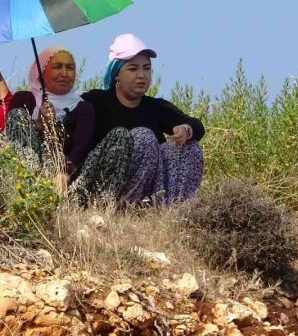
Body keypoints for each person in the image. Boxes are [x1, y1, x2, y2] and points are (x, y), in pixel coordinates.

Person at [73, 33, 205, 206]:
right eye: (133, 69)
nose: (142, 75)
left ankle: (170, 212)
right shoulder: (95, 101)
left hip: (150, 192)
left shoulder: (155, 107)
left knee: (189, 148)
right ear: (116, 75)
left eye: (147, 68)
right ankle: (123, 208)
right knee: (144, 137)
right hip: (105, 188)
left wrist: (186, 129)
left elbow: (197, 126)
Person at [6, 46, 95, 195]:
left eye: (70, 68)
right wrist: (39, 125)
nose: (64, 74)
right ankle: (32, 186)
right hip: (24, 179)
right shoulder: (24, 100)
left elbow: (81, 148)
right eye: (57, 67)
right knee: (17, 115)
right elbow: (12, 140)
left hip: (66, 181)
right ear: (40, 72)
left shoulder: (83, 108)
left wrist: (63, 172)